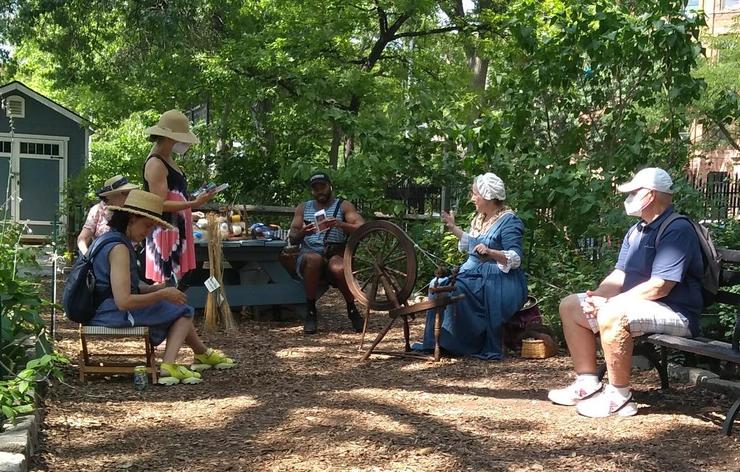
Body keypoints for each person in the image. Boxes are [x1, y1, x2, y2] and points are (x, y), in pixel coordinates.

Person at [548, 167, 703, 418]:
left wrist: (610, 304)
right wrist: (596, 297)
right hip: (638, 306)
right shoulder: (638, 230)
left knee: (613, 312)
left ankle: (619, 396)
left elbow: (661, 286)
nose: (628, 198)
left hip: (678, 313)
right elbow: (619, 275)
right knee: (571, 305)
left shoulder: (677, 229)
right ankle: (587, 383)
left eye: (633, 193)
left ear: (650, 195)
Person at [86, 189, 235, 386]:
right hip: (109, 312)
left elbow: (125, 286)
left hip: (101, 307)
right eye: (146, 225)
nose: (147, 232)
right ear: (131, 218)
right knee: (183, 311)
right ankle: (169, 365)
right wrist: (163, 293)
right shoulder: (119, 248)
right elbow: (124, 301)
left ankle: (202, 353)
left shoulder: (108, 239)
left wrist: (154, 289)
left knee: (175, 305)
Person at [413, 172, 528, 359]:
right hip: (474, 272)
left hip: (498, 279)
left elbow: (515, 258)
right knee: (437, 284)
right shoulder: (480, 218)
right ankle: (441, 341)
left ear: (488, 197)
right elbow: (473, 242)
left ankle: (461, 344)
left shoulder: (509, 221)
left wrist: (491, 252)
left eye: (475, 194)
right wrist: (453, 227)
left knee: (456, 289)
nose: (472, 198)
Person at [287, 172, 366, 334]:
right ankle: (311, 311)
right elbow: (293, 238)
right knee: (313, 259)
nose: (319, 191)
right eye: (315, 188)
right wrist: (303, 232)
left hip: (334, 252)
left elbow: (362, 228)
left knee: (340, 267)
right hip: (310, 254)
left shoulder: (343, 206)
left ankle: (352, 308)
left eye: (322, 186)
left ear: (330, 186)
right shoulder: (303, 208)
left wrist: (340, 224)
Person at [142, 109, 214, 283]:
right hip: (165, 232)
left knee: (180, 282)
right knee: (166, 283)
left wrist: (191, 208)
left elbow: (176, 197)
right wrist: (193, 204)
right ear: (170, 138)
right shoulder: (155, 163)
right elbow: (159, 204)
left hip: (178, 228)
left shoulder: (170, 160)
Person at [77, 175, 138, 255]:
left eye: (129, 192)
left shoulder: (134, 211)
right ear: (111, 196)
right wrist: (88, 258)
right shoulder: (97, 210)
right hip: (103, 260)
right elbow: (83, 238)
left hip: (130, 257)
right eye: (125, 193)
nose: (129, 195)